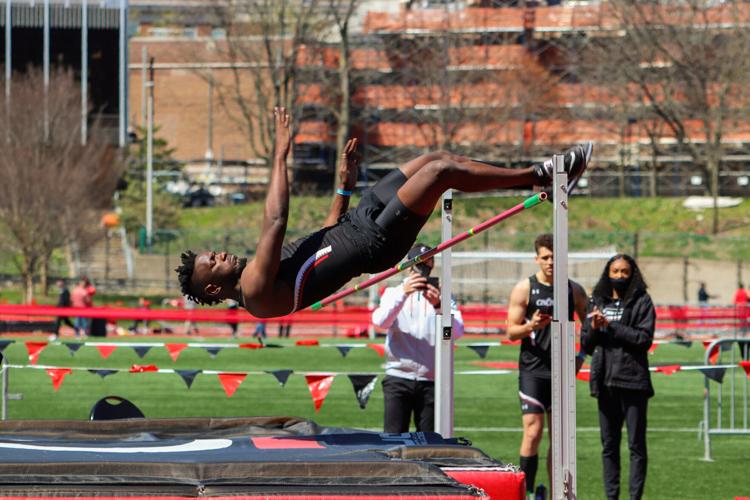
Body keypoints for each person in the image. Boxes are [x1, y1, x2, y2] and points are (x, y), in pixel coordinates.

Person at [176, 107, 592, 318]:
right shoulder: (256, 293)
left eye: (211, 252)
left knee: (436, 156)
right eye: (211, 262)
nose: (219, 254)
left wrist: (343, 184)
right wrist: (281, 152)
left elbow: (320, 241)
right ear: (213, 289)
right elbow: (275, 220)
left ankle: (536, 180)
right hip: (375, 243)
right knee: (440, 172)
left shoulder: (261, 276)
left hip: (358, 219)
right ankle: (542, 175)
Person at [505, 233, 588, 498]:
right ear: (537, 259)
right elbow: (511, 331)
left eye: (555, 257)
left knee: (560, 440)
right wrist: (531, 325)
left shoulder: (572, 289)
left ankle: (557, 494)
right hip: (533, 370)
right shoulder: (524, 288)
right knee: (532, 431)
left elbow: (590, 329)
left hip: (562, 371)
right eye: (546, 257)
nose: (551, 262)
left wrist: (580, 357)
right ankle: (526, 493)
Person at [580, 254, 655, 500]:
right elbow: (587, 345)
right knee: (609, 447)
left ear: (633, 273)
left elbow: (643, 339)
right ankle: (611, 497)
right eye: (616, 271)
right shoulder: (596, 301)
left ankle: (635, 497)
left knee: (636, 447)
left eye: (625, 271)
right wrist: (594, 328)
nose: (620, 276)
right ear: (608, 273)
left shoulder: (642, 301)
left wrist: (611, 326)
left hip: (633, 381)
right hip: (604, 382)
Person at [371, 243, 464, 433]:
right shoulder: (393, 293)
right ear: (408, 266)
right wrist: (403, 294)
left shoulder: (444, 296)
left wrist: (439, 307)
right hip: (398, 377)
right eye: (418, 262)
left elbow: (457, 333)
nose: (423, 267)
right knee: (394, 441)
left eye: (428, 261)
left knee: (430, 444)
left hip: (432, 380)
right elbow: (380, 322)